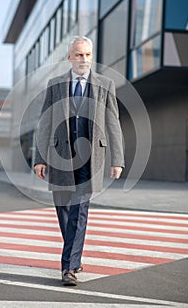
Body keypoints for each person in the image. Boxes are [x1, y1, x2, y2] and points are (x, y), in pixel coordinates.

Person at [34, 36, 124, 286]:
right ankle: (75, 258)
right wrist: (40, 158)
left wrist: (117, 159)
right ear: (69, 57)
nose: (83, 59)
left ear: (91, 56)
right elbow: (45, 124)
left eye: (87, 55)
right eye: (78, 55)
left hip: (91, 157)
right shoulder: (55, 85)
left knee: (80, 210)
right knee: (64, 209)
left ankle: (67, 269)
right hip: (60, 156)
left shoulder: (105, 85)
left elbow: (113, 123)